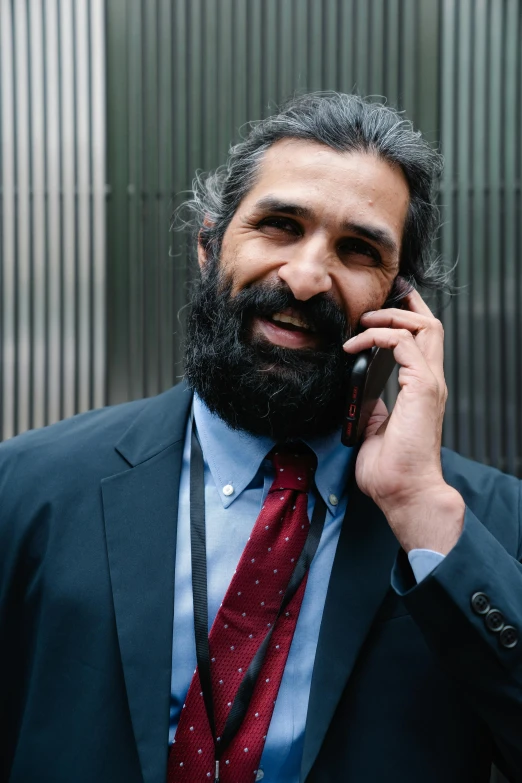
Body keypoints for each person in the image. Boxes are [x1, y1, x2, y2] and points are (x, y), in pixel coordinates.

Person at [0, 93, 520, 783]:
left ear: (400, 304)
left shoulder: (480, 529)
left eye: (358, 249)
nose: (305, 277)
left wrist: (419, 504)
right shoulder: (27, 488)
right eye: (279, 225)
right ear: (210, 244)